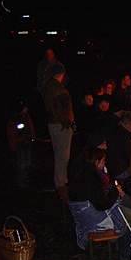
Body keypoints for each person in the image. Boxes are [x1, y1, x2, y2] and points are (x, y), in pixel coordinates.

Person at [67, 148, 127, 250]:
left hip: (83, 220)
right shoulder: (92, 177)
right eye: (103, 161)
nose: (105, 164)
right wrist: (116, 192)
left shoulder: (78, 173)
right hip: (94, 223)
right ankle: (126, 251)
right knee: (125, 215)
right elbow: (102, 205)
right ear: (96, 161)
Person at [43, 63, 75, 202]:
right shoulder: (59, 89)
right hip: (61, 126)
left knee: (59, 154)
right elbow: (63, 110)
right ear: (61, 74)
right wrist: (68, 123)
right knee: (63, 155)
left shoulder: (48, 87)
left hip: (53, 124)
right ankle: (61, 184)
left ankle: (61, 181)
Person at [106, 111, 131, 180]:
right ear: (128, 124)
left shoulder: (115, 129)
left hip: (110, 167)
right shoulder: (126, 137)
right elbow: (130, 155)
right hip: (120, 171)